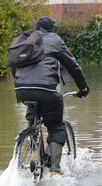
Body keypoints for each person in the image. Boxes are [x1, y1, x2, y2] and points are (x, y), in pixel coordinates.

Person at [10, 17, 89, 176]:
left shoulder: (26, 39)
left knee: (33, 103)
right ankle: (55, 170)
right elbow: (72, 65)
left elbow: (13, 63)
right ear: (51, 29)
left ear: (36, 28)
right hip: (46, 89)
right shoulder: (55, 40)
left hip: (21, 89)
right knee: (56, 126)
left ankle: (31, 137)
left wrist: (21, 84)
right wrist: (83, 87)